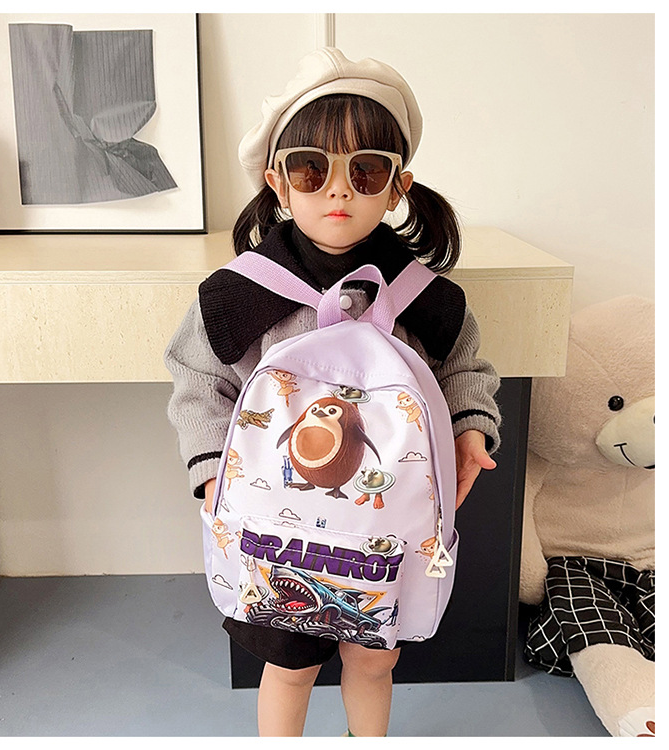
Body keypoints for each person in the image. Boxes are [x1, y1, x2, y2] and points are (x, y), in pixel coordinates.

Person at [165, 47, 501, 737]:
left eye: (365, 171)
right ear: (278, 184)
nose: (338, 191)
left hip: (384, 526)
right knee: (288, 667)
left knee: (374, 662)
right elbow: (197, 380)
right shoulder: (239, 294)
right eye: (311, 170)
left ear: (397, 186)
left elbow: (464, 369)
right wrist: (211, 471)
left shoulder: (426, 298)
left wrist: (471, 429)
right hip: (274, 529)